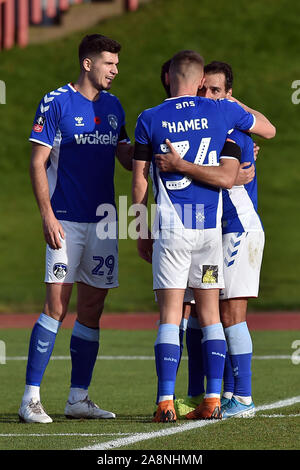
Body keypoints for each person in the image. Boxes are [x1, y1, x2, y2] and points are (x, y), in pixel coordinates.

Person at [132, 50, 275, 423]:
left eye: (218, 91)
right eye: (207, 88)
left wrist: (138, 226)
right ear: (198, 84)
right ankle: (210, 398)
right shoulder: (221, 117)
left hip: (192, 229)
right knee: (206, 316)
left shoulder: (150, 117)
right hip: (210, 232)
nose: (210, 94)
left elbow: (139, 177)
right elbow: (264, 130)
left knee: (180, 315)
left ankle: (179, 399)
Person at [18, 34, 133, 423]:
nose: (115, 70)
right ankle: (30, 398)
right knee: (56, 306)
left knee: (92, 309)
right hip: (64, 220)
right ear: (88, 64)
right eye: (109, 63)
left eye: (116, 64)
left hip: (103, 222)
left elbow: (125, 156)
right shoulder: (56, 102)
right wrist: (47, 216)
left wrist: (157, 146)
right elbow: (37, 162)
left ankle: (78, 399)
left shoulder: (115, 106)